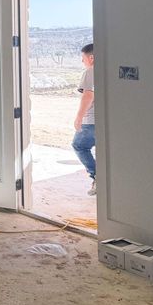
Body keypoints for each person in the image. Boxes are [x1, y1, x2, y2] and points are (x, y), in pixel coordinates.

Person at [72, 43, 96, 196]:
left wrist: (79, 117)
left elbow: (88, 95)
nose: (83, 61)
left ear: (91, 57)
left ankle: (97, 176)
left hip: (91, 120)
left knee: (79, 145)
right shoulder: (107, 70)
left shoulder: (90, 71)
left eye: (83, 58)